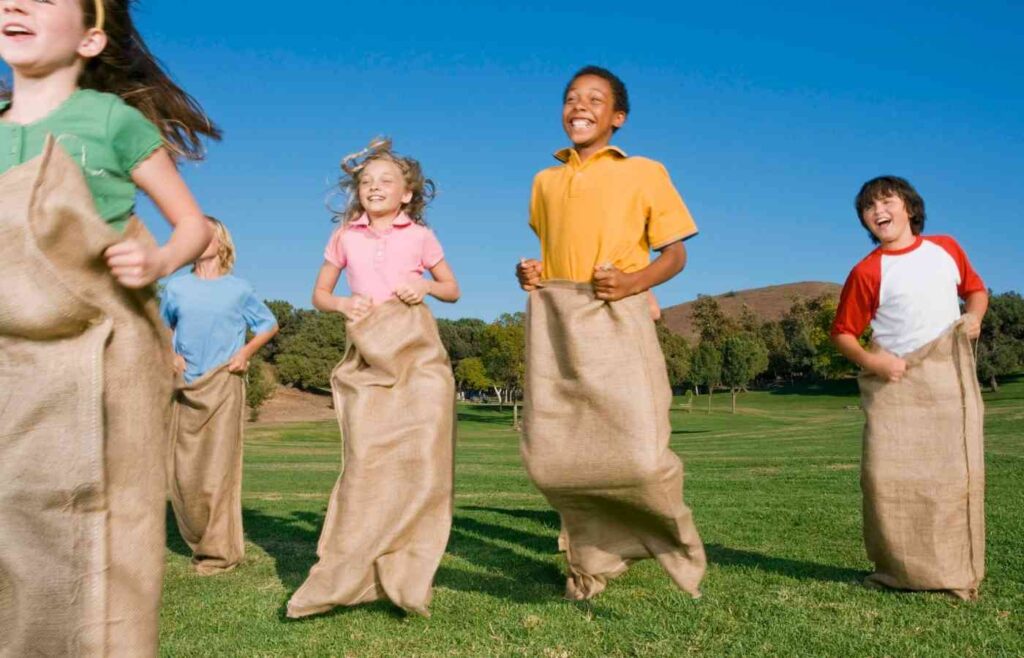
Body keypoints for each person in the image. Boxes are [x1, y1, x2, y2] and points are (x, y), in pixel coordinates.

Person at [0, 0, 217, 653]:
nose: (14, 2)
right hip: (17, 347)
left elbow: (193, 226)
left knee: (105, 508)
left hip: (102, 346)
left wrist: (155, 258)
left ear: (92, 38)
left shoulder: (113, 122)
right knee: (21, 507)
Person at [516, 66, 706, 600]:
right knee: (561, 453)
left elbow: (675, 253)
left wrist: (631, 283)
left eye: (594, 99)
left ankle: (667, 537)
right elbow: (554, 252)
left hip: (615, 316)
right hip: (556, 320)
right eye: (571, 98)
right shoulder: (544, 182)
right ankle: (588, 565)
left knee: (639, 451)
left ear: (617, 117)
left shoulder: (644, 172)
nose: (579, 106)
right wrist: (530, 274)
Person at [287, 138, 459, 618]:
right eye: (366, 182)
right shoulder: (345, 236)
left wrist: (425, 284)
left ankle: (408, 571)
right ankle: (355, 569)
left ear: (407, 193)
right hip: (368, 350)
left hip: (417, 349)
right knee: (367, 460)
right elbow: (321, 292)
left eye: (386, 181)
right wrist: (343, 303)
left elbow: (453, 289)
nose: (374, 187)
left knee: (424, 456)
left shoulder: (421, 235)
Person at [831, 175, 988, 600]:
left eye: (886, 201)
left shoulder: (946, 249)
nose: (878, 211)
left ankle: (955, 572)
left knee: (953, 478)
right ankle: (897, 570)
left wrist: (974, 317)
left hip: (945, 383)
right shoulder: (867, 272)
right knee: (886, 479)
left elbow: (975, 291)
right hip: (894, 388)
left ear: (909, 208)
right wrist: (873, 361)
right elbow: (844, 333)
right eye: (868, 207)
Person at [162, 217, 278, 575]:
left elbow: (268, 325)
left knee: (217, 471)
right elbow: (161, 326)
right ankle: (198, 535)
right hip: (185, 387)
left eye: (206, 234)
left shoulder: (238, 289)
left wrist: (245, 352)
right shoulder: (175, 288)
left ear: (222, 242)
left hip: (224, 383)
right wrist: (171, 354)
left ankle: (218, 551)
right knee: (184, 473)